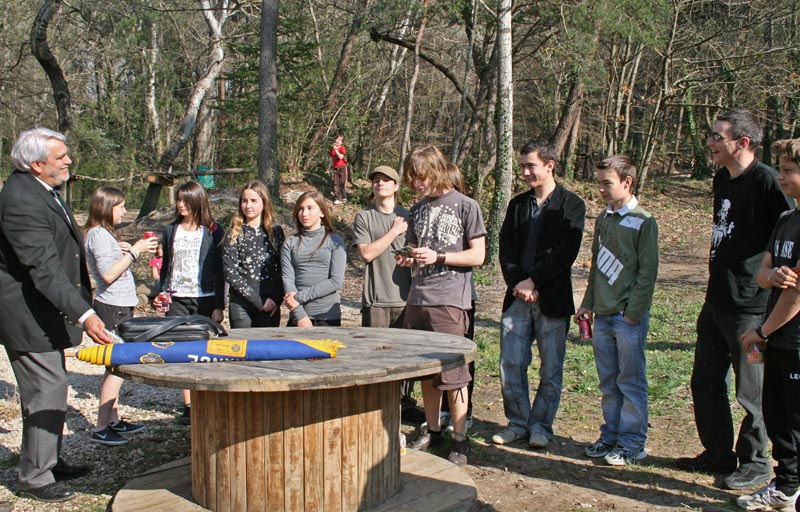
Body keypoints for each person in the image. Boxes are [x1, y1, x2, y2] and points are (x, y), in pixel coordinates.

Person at [677, 110, 794, 490]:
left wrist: (772, 279)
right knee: (705, 381)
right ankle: (718, 454)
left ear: (741, 142)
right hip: (716, 301)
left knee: (751, 390)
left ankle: (756, 462)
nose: (710, 142)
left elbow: (784, 237)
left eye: (717, 136)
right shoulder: (723, 177)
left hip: (751, 306)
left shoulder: (766, 181)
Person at [0, 128, 112, 502]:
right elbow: (43, 269)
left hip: (43, 312)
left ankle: (49, 458)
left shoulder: (42, 191)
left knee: (54, 385)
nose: (68, 161)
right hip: (26, 315)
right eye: (60, 156)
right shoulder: (21, 202)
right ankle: (34, 476)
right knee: (46, 389)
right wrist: (85, 314)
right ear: (36, 164)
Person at [491, 139, 586, 449]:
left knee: (551, 367)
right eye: (522, 166)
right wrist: (519, 282)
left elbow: (565, 252)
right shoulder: (518, 204)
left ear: (550, 165)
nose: (525, 172)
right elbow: (505, 247)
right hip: (517, 298)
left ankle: (541, 426)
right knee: (511, 364)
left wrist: (535, 282)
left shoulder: (571, 204)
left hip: (552, 298)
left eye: (530, 165)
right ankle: (517, 423)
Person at [399, 145, 486, 466]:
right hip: (417, 299)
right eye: (412, 178)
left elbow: (478, 256)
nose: (416, 184)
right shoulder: (417, 210)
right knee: (426, 374)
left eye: (420, 177)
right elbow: (415, 248)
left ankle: (460, 439)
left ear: (435, 169)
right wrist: (407, 255)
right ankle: (433, 431)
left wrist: (439, 256)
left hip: (450, 301)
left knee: (455, 374)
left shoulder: (466, 206)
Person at [576, 154, 658, 466]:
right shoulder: (603, 219)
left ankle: (633, 442)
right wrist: (588, 303)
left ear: (627, 182)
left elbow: (647, 273)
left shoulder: (644, 221)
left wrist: (633, 314)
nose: (601, 190)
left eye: (606, 184)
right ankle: (611, 435)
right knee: (608, 381)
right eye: (598, 184)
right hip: (603, 314)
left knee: (630, 381)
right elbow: (597, 266)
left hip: (627, 318)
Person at [735, 139, 800, 511]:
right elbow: (762, 274)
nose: (781, 176)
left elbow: (796, 296)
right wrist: (773, 275)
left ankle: (790, 486)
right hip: (778, 337)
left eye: (789, 170)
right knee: (778, 416)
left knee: (795, 419)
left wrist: (761, 332)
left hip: (790, 338)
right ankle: (786, 486)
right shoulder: (786, 220)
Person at [84, 187, 157, 446]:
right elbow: (106, 275)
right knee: (116, 366)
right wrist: (135, 251)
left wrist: (122, 249)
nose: (125, 211)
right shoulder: (98, 235)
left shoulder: (105, 235)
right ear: (106, 207)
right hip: (111, 306)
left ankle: (113, 421)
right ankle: (101, 427)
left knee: (118, 366)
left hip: (120, 304)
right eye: (121, 206)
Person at [353, 166, 421, 421]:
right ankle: (374, 406)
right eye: (376, 180)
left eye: (386, 180)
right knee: (374, 355)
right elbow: (367, 253)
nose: (380, 184)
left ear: (396, 186)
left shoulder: (410, 216)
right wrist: (394, 232)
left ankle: (404, 405)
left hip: (406, 298)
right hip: (376, 299)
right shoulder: (364, 218)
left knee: (405, 354)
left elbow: (418, 255)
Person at [155, 180, 225, 425]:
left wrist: (219, 305)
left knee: (206, 350)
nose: (180, 204)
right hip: (177, 297)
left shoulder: (214, 230)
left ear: (198, 201)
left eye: (186, 199)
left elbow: (219, 270)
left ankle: (208, 399)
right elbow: (165, 267)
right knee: (182, 350)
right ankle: (188, 405)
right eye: (178, 199)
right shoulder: (170, 230)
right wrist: (160, 293)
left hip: (204, 297)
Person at [223, 180, 285, 328]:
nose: (248, 206)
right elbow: (230, 272)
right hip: (241, 304)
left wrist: (276, 300)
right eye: (244, 201)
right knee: (242, 349)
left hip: (270, 303)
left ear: (264, 202)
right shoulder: (234, 233)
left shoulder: (275, 232)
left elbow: (284, 268)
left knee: (267, 350)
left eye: (253, 201)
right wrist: (258, 301)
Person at [282, 190, 346, 327]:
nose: (304, 213)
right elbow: (288, 280)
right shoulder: (290, 243)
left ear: (322, 212)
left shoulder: (335, 241)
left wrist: (298, 297)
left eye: (310, 208)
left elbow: (336, 281)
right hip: (298, 316)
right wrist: (300, 315)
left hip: (328, 317)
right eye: (301, 209)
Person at [330, 134, 348, 204]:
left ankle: (344, 197)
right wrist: (331, 166)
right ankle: (338, 198)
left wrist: (336, 150)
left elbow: (340, 157)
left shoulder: (342, 148)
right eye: (337, 139)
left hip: (342, 167)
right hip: (335, 168)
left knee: (342, 183)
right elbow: (332, 158)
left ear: (342, 142)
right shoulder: (333, 149)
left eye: (340, 140)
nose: (338, 141)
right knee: (336, 183)